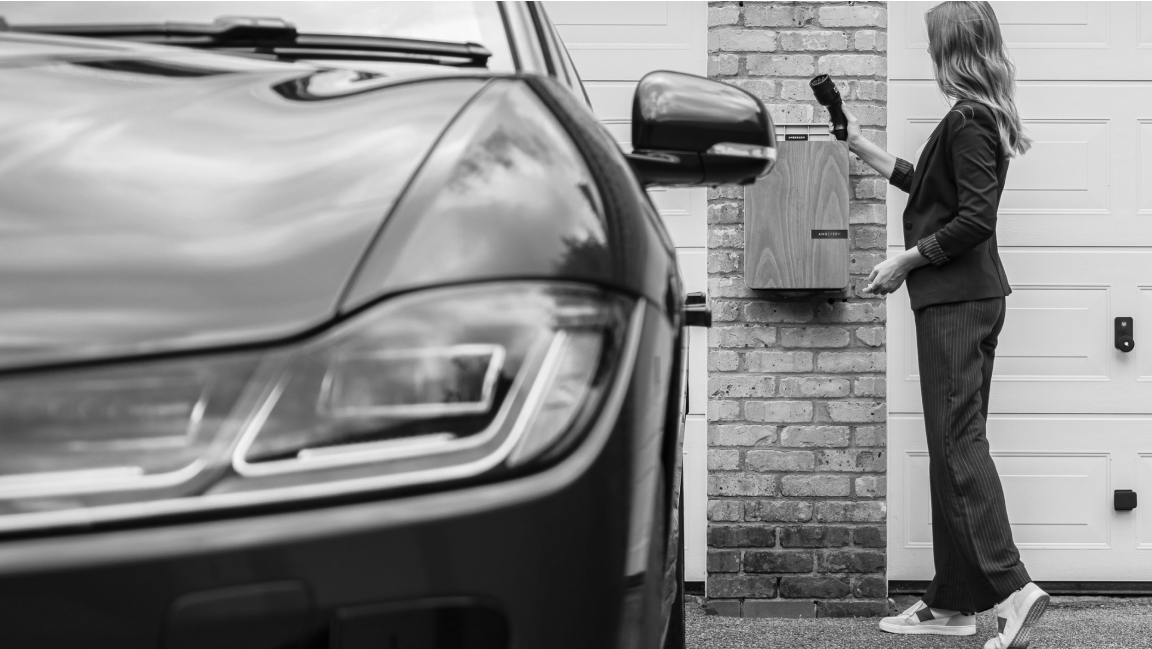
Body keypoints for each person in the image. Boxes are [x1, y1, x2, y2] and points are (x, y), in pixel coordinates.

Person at [839, 2, 1048, 648]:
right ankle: (954, 601)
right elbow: (937, 193)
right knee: (952, 447)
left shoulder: (968, 120)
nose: (928, 58)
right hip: (966, 300)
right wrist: (867, 150)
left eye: (933, 47)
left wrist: (907, 260)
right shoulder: (973, 119)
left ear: (950, 52)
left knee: (958, 447)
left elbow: (974, 219)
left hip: (958, 302)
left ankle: (1012, 590)